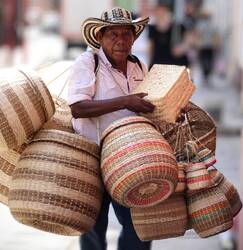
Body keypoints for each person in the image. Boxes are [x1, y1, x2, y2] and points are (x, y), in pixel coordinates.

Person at [67, 7, 155, 250]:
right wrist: (125, 101)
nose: (120, 41)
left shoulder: (139, 65)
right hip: (92, 156)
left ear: (134, 37)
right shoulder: (88, 62)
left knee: (139, 227)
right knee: (93, 229)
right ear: (100, 37)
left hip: (130, 158)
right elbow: (78, 108)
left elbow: (150, 105)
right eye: (113, 35)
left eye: (126, 34)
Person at [148, 3, 191, 69]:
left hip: (176, 65)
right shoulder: (152, 28)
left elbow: (189, 40)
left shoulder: (177, 27)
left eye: (162, 11)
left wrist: (182, 48)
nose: (160, 14)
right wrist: (149, 66)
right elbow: (151, 48)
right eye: (158, 12)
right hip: (159, 66)